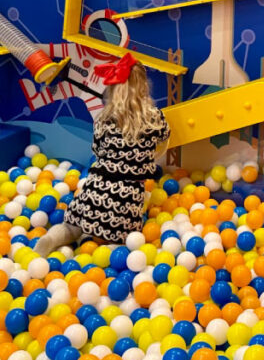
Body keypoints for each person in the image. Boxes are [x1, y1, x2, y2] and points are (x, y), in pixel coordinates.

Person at [33, 54, 170, 254]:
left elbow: (97, 150)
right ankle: (112, 252)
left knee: (72, 226)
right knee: (125, 238)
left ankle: (52, 238)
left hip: (96, 187)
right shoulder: (154, 117)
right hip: (127, 195)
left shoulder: (103, 118)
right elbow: (165, 135)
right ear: (143, 88)